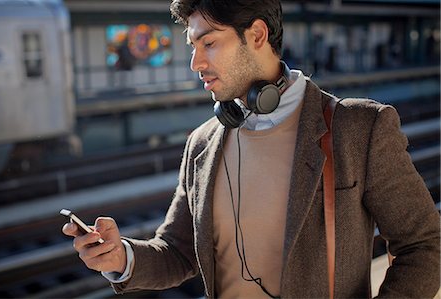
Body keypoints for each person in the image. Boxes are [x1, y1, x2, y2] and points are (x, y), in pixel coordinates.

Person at [62, 0, 440, 298]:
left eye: (209, 42)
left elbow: (424, 246)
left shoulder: (358, 128)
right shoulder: (202, 144)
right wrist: (121, 257)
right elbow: (178, 251)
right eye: (193, 46)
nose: (196, 63)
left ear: (257, 35)